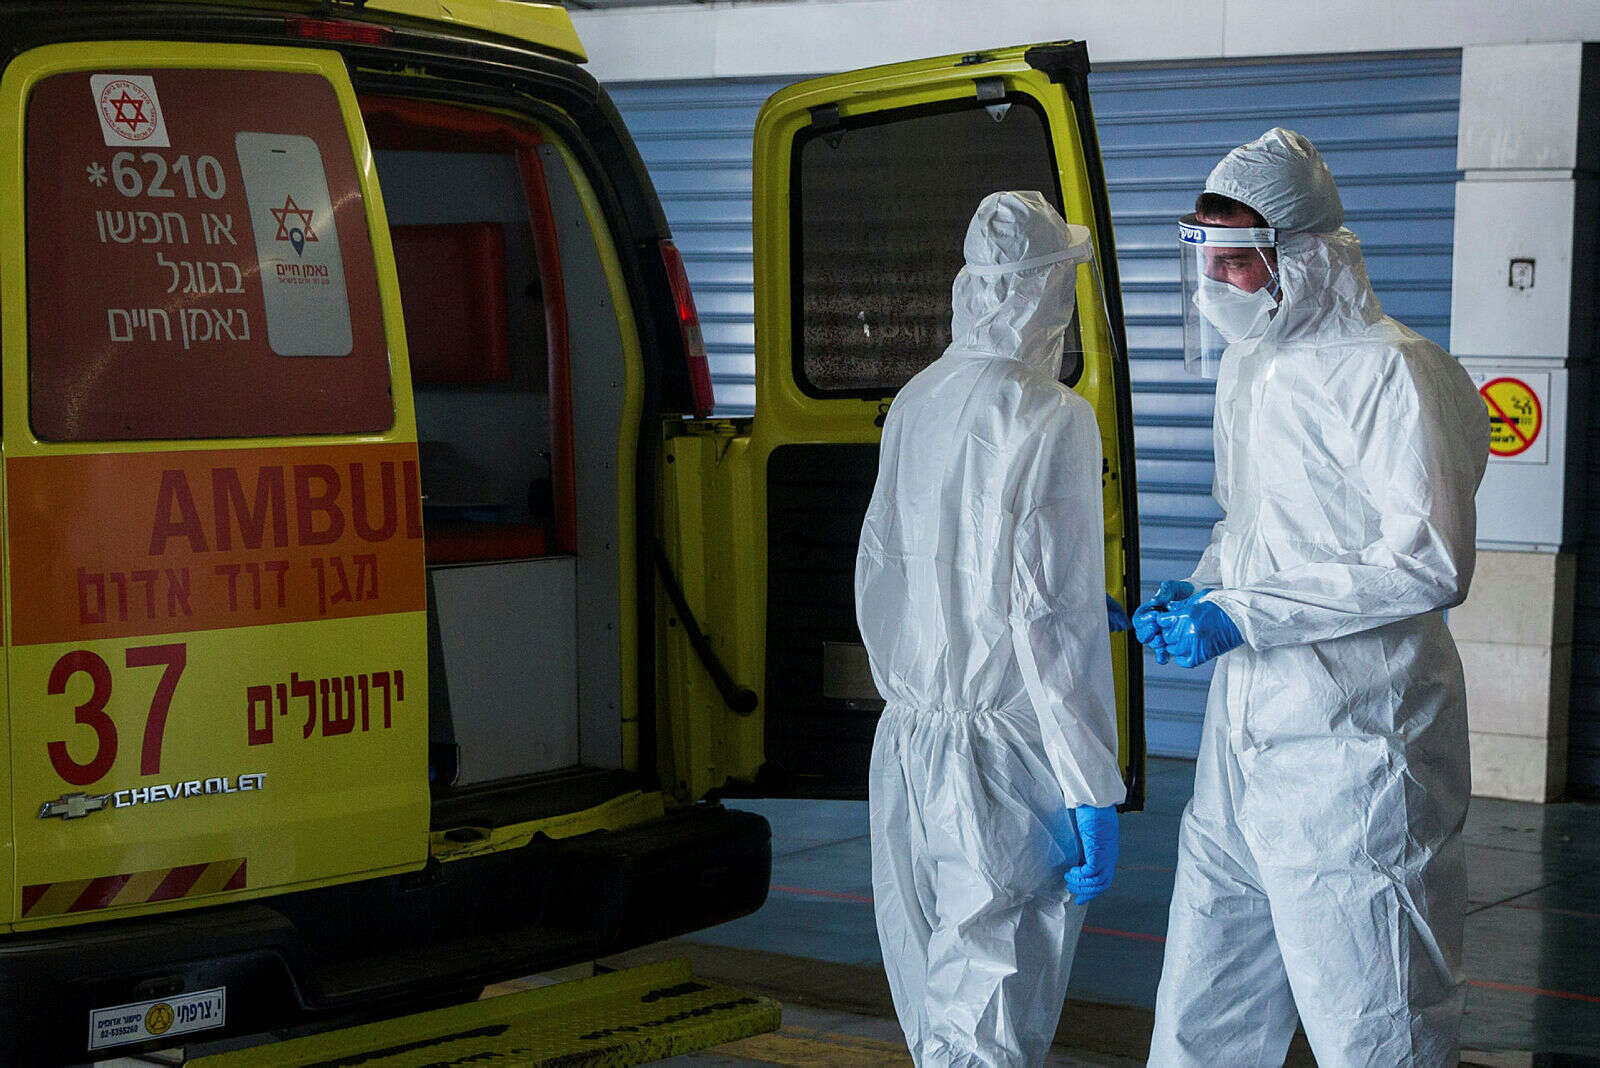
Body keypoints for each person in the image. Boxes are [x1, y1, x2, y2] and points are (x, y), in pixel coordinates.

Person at [1138, 129, 1490, 1065]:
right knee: (1204, 1008)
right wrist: (1202, 587)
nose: (1215, 282)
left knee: (1377, 1021)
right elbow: (1249, 524)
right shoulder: (1251, 367)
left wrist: (1241, 613)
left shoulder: (1392, 371)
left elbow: (1428, 560)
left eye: (1235, 261)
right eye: (1205, 257)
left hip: (1358, 748)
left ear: (1299, 256)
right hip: (1244, 740)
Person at [855, 190, 1126, 1067]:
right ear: (1044, 291)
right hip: (999, 768)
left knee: (935, 999)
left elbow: (900, 561)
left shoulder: (916, 399)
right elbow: (1050, 624)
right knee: (987, 1024)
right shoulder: (1052, 415)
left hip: (908, 746)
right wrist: (1091, 784)